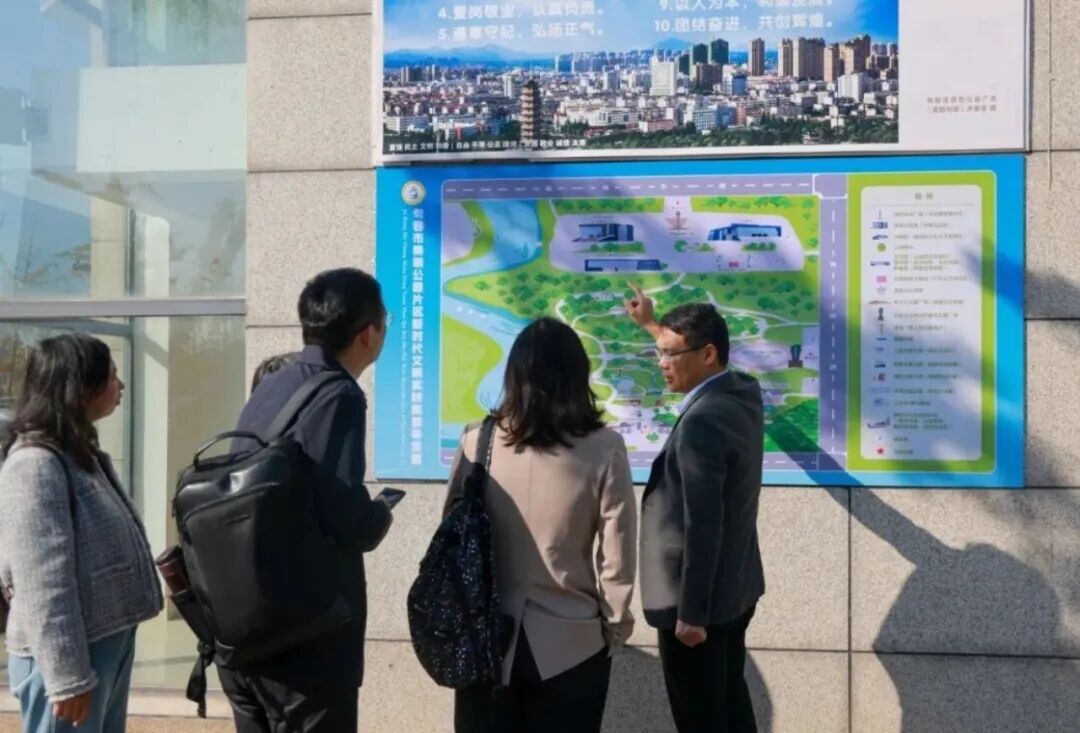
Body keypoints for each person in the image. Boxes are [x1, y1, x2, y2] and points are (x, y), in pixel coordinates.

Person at [217, 268, 395, 733]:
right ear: (368, 333)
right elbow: (347, 520)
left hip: (248, 629)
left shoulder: (276, 383)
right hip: (304, 645)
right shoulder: (338, 394)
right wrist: (378, 515)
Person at [446, 317, 638, 733]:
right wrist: (615, 624)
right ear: (578, 376)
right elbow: (617, 549)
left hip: (486, 640)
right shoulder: (605, 447)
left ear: (514, 375)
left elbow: (451, 537)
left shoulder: (477, 441)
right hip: (573, 641)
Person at [0, 334, 163, 733]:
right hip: (68, 657)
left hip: (102, 642)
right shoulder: (35, 465)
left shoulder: (76, 454)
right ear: (82, 389)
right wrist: (66, 677)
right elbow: (42, 581)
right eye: (112, 376)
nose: (120, 385)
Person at [624, 285, 766, 733]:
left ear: (708, 355)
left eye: (670, 354)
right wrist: (652, 325)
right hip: (735, 589)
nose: (662, 362)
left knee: (701, 719)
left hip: (698, 605)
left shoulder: (702, 422)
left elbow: (702, 523)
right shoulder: (742, 392)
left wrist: (691, 614)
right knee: (731, 707)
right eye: (659, 351)